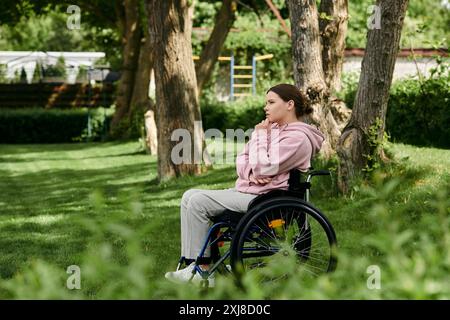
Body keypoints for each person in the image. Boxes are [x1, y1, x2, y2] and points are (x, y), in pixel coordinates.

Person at [164, 83, 324, 286]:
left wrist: (258, 143)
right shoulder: (272, 130)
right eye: (266, 102)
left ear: (289, 104)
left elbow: (263, 167)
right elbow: (243, 159)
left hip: (266, 199)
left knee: (198, 202)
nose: (266, 107)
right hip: (252, 190)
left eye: (271, 102)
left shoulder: (298, 138)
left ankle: (203, 270)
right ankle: (192, 263)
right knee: (189, 195)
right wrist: (251, 172)